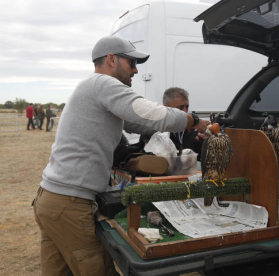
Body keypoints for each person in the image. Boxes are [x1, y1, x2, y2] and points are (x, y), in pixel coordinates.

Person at [32, 35, 209, 276]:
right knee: (98, 269)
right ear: (112, 60)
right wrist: (196, 121)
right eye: (131, 63)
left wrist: (182, 128)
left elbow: (143, 125)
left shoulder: (94, 90)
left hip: (51, 201)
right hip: (69, 205)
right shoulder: (103, 84)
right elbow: (155, 115)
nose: (136, 70)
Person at [163, 87, 205, 156]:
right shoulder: (155, 132)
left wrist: (204, 143)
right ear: (166, 108)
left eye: (187, 107)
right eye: (180, 108)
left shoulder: (194, 132)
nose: (185, 112)